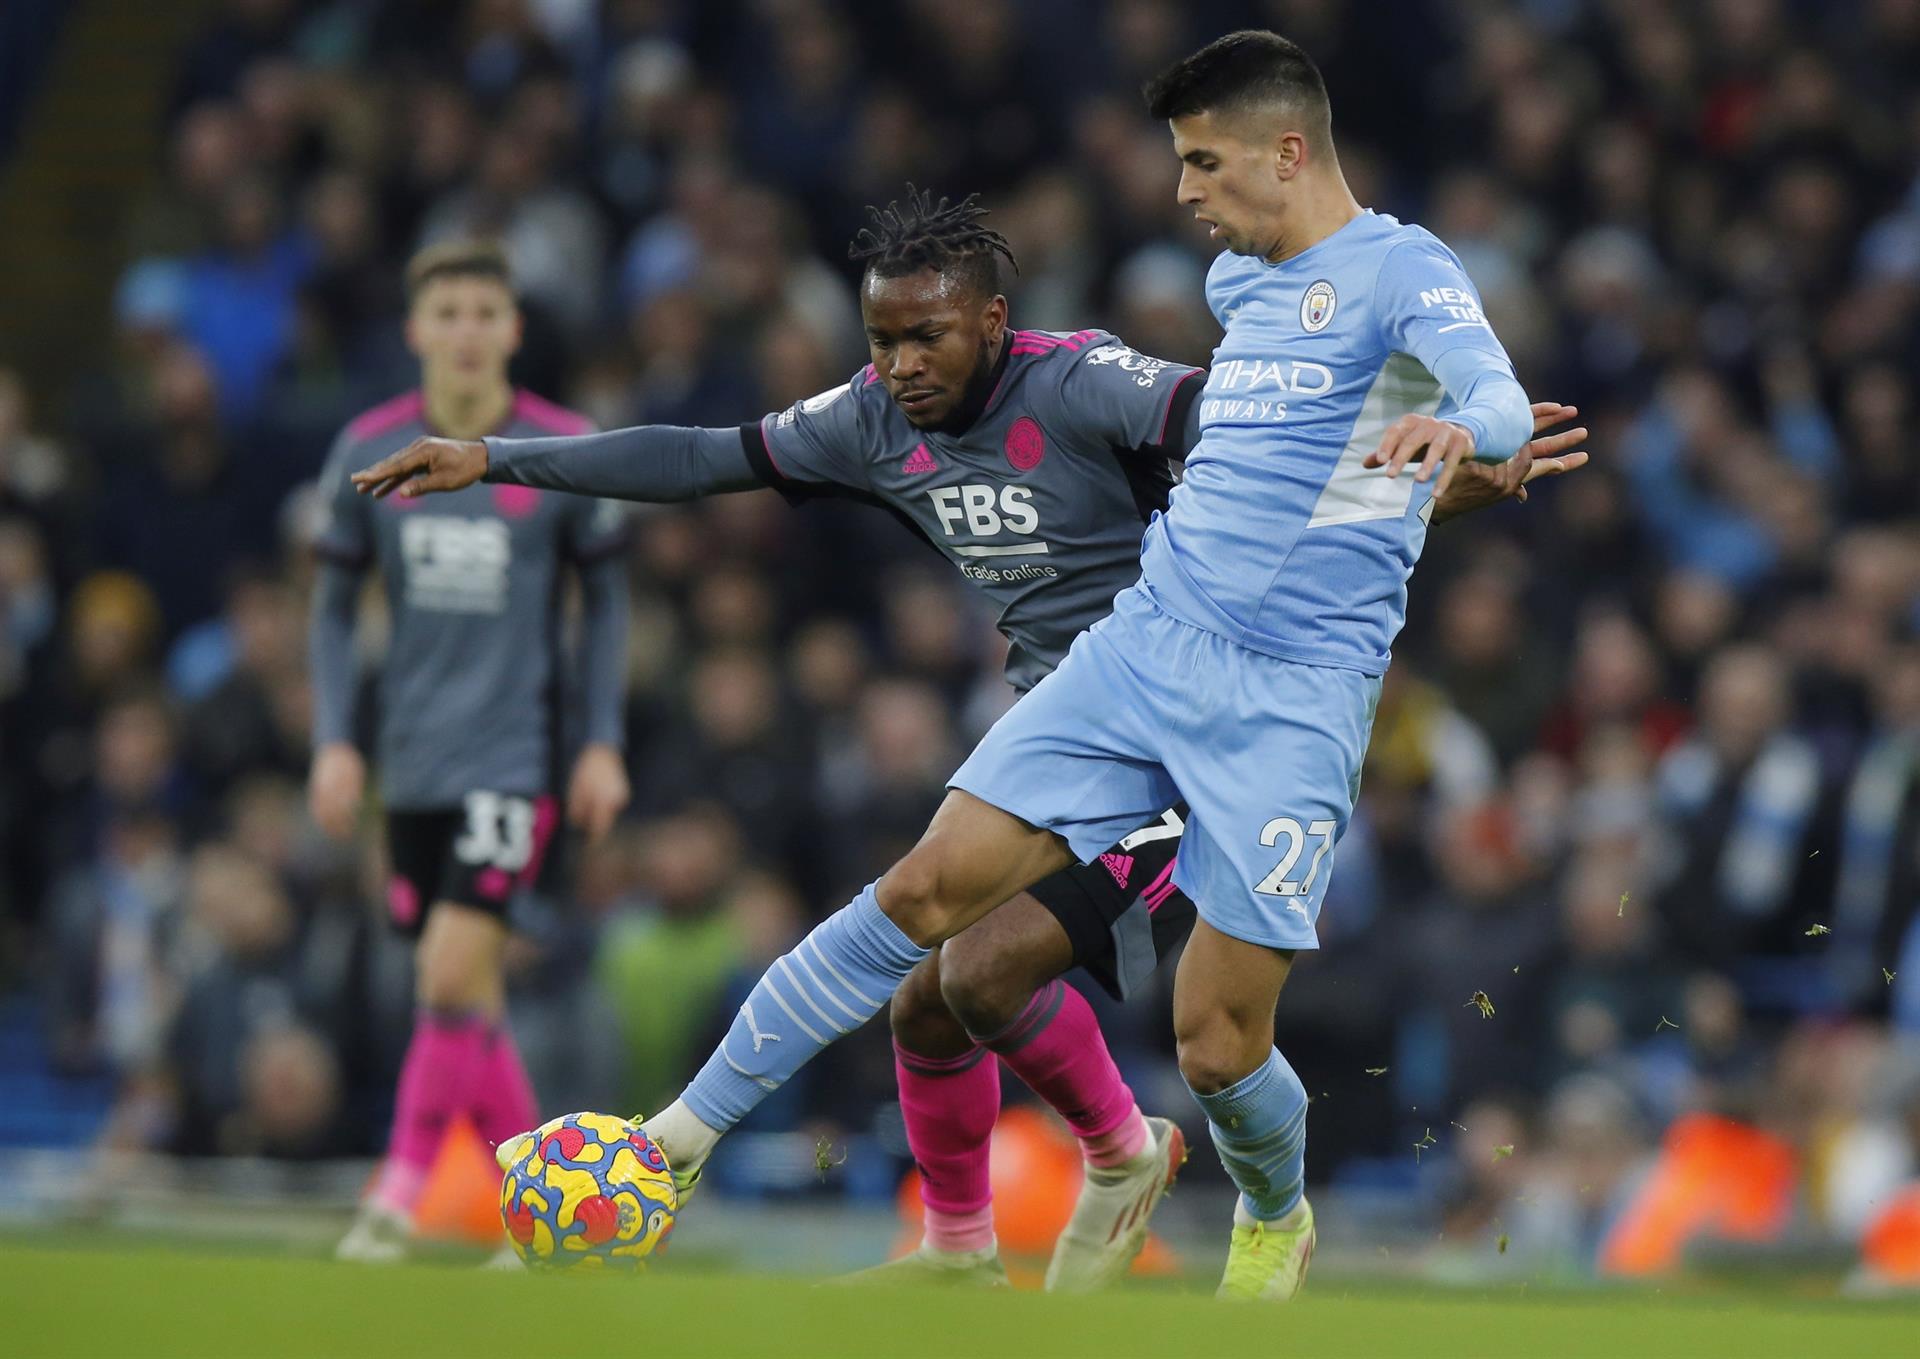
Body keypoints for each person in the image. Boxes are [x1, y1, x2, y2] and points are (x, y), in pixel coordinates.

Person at [357, 170, 1577, 1288]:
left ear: (992, 323)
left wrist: (1433, 484)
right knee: (924, 999)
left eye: (926, 336)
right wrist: (500, 456)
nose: (899, 364)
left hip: (1191, 733)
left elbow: (1271, 457)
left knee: (988, 970)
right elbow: (699, 458)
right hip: (1067, 722)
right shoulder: (870, 420)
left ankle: (1122, 1154)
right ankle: (961, 1247)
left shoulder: (1088, 382)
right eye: (881, 338)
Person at [309, 241, 632, 1263]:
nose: (465, 331)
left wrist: (602, 746)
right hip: (410, 763)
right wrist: (334, 743)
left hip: (515, 758)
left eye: (484, 311)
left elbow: (608, 602)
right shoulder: (365, 443)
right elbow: (329, 605)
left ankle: (395, 1199)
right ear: (415, 330)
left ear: (513, 329)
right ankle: (547, 1216)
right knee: (469, 999)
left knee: (449, 980)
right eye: (446, 311)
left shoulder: (558, 446)